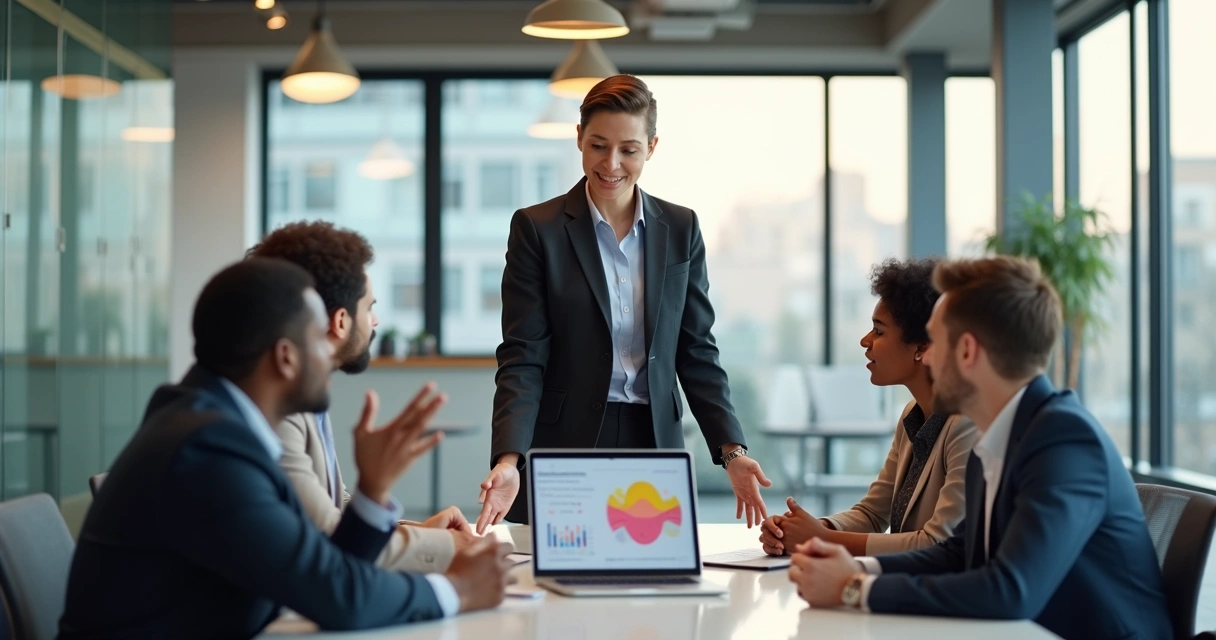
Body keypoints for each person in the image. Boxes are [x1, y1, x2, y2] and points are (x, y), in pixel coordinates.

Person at [59, 259, 514, 638]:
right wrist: (457, 591)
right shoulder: (207, 449)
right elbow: (336, 595)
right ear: (286, 356)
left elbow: (318, 568)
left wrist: (373, 494)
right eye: (319, 339)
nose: (330, 353)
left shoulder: (213, 423)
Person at [787, 256, 1171, 640]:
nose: (928, 358)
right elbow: (958, 554)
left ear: (967, 351)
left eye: (935, 341)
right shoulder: (1002, 436)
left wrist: (853, 589)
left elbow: (1010, 591)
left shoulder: (1064, 440)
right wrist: (856, 570)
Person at [477, 74, 771, 533]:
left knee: (653, 583)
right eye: (598, 145)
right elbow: (523, 355)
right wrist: (510, 458)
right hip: (566, 439)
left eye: (628, 150)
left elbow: (695, 349)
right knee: (562, 581)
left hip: (653, 438)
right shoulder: (538, 229)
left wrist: (731, 450)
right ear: (578, 139)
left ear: (651, 147)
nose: (611, 163)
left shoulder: (681, 228)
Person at [249, 221, 471, 574]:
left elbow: (334, 505)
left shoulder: (303, 397)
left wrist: (417, 531)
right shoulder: (276, 411)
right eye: (369, 307)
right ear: (340, 321)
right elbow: (328, 539)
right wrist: (447, 548)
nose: (376, 321)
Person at [759, 258, 976, 557]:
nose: (865, 341)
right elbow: (872, 514)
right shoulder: (912, 416)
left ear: (922, 347)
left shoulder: (966, 423)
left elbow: (937, 543)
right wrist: (801, 529)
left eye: (879, 330)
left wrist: (821, 538)